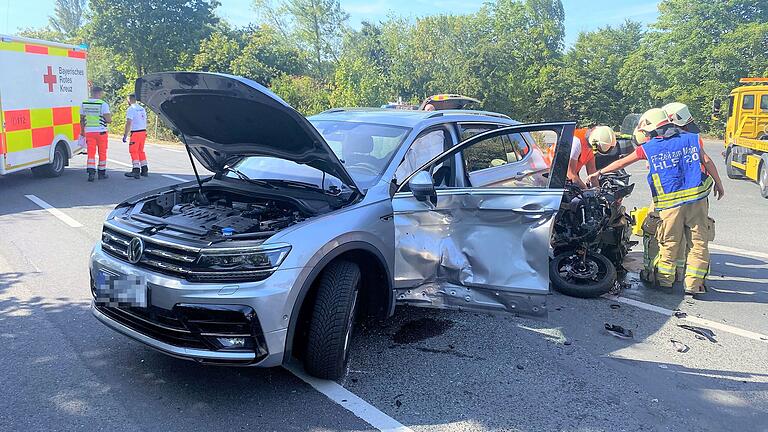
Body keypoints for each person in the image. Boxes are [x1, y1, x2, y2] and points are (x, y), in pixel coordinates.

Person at [586, 108, 724, 295]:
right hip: (697, 199)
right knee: (698, 242)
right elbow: (706, 161)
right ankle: (694, 285)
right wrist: (719, 183)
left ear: (651, 130)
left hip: (670, 203)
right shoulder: (691, 139)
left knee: (669, 242)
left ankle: (664, 282)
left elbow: (622, 163)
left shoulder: (649, 147)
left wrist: (598, 173)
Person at [547, 124, 602, 189]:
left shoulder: (593, 144)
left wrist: (597, 189)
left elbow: (592, 171)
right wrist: (586, 190)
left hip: (565, 177)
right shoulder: (576, 142)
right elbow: (570, 174)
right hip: (549, 176)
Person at [80, 86, 111, 182]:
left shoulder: (84, 104)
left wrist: (82, 132)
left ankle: (91, 173)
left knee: (91, 153)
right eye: (101, 93)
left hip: (89, 132)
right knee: (102, 153)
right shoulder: (103, 104)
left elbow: (81, 119)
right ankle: (101, 173)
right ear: (99, 93)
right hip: (101, 132)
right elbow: (108, 120)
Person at [122, 94, 149, 179]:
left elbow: (129, 122)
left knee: (133, 151)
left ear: (129, 100)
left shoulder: (131, 109)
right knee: (141, 151)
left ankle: (136, 169)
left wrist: (125, 135)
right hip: (143, 132)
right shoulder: (142, 108)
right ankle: (144, 169)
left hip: (136, 132)